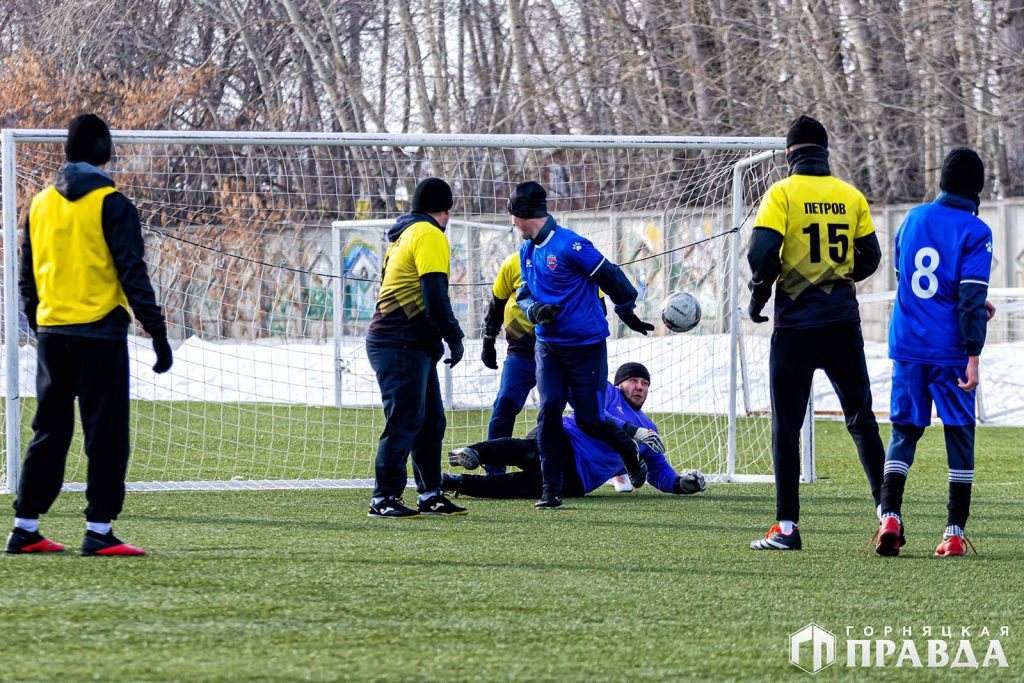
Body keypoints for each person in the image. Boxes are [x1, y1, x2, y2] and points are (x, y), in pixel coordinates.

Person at [6, 113, 173, 557]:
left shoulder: (39, 204)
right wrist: (156, 332)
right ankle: (98, 530)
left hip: (53, 333)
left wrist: (39, 321)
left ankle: (25, 527)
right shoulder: (114, 204)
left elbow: (27, 277)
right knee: (106, 432)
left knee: (50, 428)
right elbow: (132, 272)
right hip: (100, 333)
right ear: (106, 152)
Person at [746, 115, 885, 551]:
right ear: (825, 152)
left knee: (786, 426)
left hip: (796, 328)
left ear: (789, 154)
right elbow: (871, 257)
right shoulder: (851, 195)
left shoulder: (781, 193)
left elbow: (762, 253)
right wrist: (839, 277)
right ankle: (888, 514)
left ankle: (787, 527)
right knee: (862, 421)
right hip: (843, 323)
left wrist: (759, 295)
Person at [875, 148, 994, 558]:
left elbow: (908, 277)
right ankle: (954, 533)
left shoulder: (912, 218)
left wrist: (974, 305)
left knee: (904, 431)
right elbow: (968, 296)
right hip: (950, 351)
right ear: (976, 189)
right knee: (959, 435)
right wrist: (973, 355)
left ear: (941, 180)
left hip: (907, 344)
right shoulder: (976, 231)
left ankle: (889, 516)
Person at [511, 181, 655, 510]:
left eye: (513, 217)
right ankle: (551, 490)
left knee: (590, 419)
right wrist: (534, 309)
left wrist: (625, 310)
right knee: (548, 410)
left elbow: (611, 275)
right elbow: (524, 295)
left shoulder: (570, 245)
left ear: (523, 215)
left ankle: (627, 449)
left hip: (586, 348)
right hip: (549, 347)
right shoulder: (526, 251)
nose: (512, 223)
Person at [444, 363, 706, 499]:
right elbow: (591, 413)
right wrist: (631, 431)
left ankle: (454, 483)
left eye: (645, 383)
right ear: (619, 384)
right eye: (633, 381)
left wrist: (680, 483)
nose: (640, 387)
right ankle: (473, 452)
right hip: (565, 438)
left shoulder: (650, 427)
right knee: (528, 452)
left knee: (519, 487)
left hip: (579, 478)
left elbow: (659, 471)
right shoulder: (605, 392)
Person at [365, 177, 467, 519]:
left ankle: (431, 493)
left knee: (429, 422)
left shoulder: (405, 234)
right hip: (400, 342)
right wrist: (454, 336)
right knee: (405, 420)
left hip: (406, 342)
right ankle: (384, 498)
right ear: (446, 210)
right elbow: (434, 297)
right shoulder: (429, 235)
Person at [480, 251, 537, 474]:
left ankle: (614, 467)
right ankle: (494, 470)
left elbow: (596, 303)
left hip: (561, 352)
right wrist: (488, 341)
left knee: (587, 410)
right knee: (505, 402)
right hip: (521, 351)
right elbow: (497, 304)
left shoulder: (570, 258)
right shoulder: (513, 262)